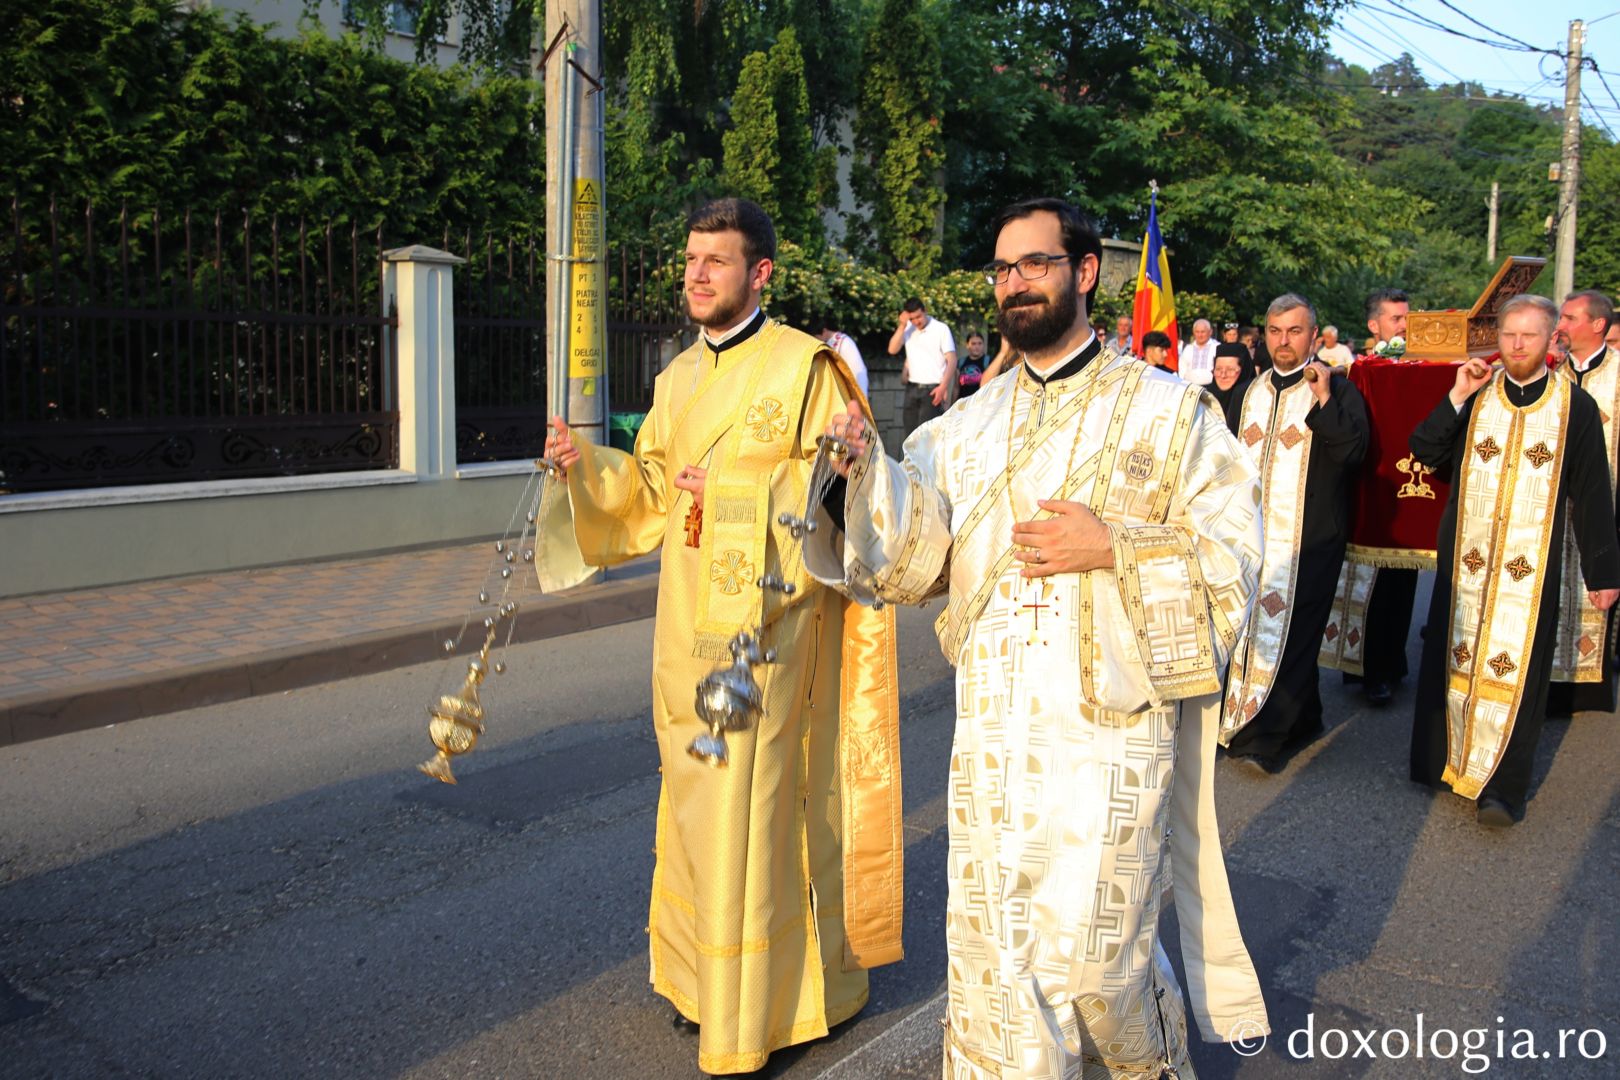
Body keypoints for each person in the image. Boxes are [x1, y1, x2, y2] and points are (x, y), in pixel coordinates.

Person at [807, 197, 1269, 1079]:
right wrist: (862, 472)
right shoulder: (964, 427)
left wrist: (1115, 545)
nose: (1014, 283)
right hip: (994, 739)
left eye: (1035, 264)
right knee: (996, 966)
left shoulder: (1173, 413)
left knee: (1102, 965)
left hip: (1111, 738)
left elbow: (1235, 564)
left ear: (1085, 272)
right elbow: (915, 563)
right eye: (1002, 269)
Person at [540, 198, 903, 1074]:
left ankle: (764, 1015)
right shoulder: (675, 378)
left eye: (716, 261)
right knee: (698, 807)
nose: (696, 274)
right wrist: (587, 467)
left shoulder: (807, 369)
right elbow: (657, 493)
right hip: (684, 631)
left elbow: (844, 488)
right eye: (691, 258)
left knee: (760, 814)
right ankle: (705, 986)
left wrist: (741, 495)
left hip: (770, 634)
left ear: (760, 274)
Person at [1407, 294, 1620, 827]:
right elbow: (1426, 451)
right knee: (1453, 659)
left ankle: (1502, 790)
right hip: (1466, 558)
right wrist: (1456, 393)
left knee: (1518, 671)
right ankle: (1445, 761)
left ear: (1553, 342)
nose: (1517, 345)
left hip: (1530, 568)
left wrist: (1604, 572)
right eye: (1508, 335)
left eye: (1529, 335)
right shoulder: (1477, 396)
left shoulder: (1575, 407)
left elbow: (1592, 493)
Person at [1223, 294, 1370, 774]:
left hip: (1311, 537)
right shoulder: (1247, 391)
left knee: (1296, 634)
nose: (1283, 341)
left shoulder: (1340, 389)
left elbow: (1354, 453)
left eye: (1294, 331)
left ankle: (1266, 737)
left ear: (1313, 334)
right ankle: (1300, 719)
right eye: (1274, 331)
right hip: (1250, 536)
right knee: (1248, 630)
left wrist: (1324, 399)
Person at [1325, 288, 1417, 707]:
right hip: (1365, 483)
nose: (1404, 325)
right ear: (1374, 325)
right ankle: (1363, 666)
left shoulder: (1421, 367)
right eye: (1396, 318)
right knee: (1364, 580)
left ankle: (1389, 666)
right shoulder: (1356, 370)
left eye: (1406, 317)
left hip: (1410, 487)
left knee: (1400, 579)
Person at [1549, 289, 1620, 716]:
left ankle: (1584, 687)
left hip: (1607, 497)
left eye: (1571, 318)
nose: (1561, 326)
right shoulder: (1550, 372)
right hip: (1553, 500)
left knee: (1597, 584)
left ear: (1598, 325)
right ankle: (1548, 682)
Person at [888, 296, 957, 435]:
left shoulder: (941, 329)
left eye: (918, 316)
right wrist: (902, 325)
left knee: (927, 438)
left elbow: (952, 359)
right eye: (912, 318)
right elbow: (892, 350)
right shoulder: (907, 328)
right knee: (910, 437)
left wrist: (943, 387)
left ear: (925, 311)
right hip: (912, 389)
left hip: (932, 390)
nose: (916, 321)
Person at [813, 316, 869, 397]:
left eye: (817, 337)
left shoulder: (844, 342)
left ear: (824, 331)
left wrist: (861, 395)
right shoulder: (830, 343)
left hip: (853, 387)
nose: (818, 340)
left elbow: (858, 370)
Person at [1210, 343, 1252, 432]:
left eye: (1230, 369)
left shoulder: (1253, 400)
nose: (1223, 375)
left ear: (1243, 370)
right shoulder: (1206, 398)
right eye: (1218, 369)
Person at [1178, 317, 1217, 385]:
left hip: (1211, 386)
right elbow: (1182, 368)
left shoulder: (1217, 347)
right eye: (1197, 332)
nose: (1200, 335)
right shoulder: (1188, 349)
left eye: (1203, 332)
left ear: (1210, 332)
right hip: (1190, 387)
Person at [957, 330, 989, 397]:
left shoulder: (989, 361)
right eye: (973, 344)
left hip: (981, 403)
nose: (977, 347)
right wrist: (953, 404)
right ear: (967, 345)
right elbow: (956, 387)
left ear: (983, 344)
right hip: (963, 403)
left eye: (980, 343)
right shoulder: (961, 362)